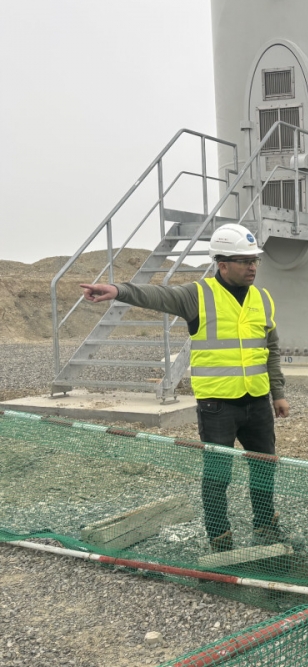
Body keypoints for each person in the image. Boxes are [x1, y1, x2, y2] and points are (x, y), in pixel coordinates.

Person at [81, 224, 294, 553]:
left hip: (257, 401)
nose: (252, 267)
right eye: (244, 261)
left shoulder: (262, 299)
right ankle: (220, 540)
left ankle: (266, 526)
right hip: (217, 406)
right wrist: (118, 290)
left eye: (254, 260)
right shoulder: (198, 295)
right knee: (218, 475)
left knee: (264, 467)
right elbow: (157, 296)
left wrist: (277, 393)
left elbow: (272, 349)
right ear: (222, 264)